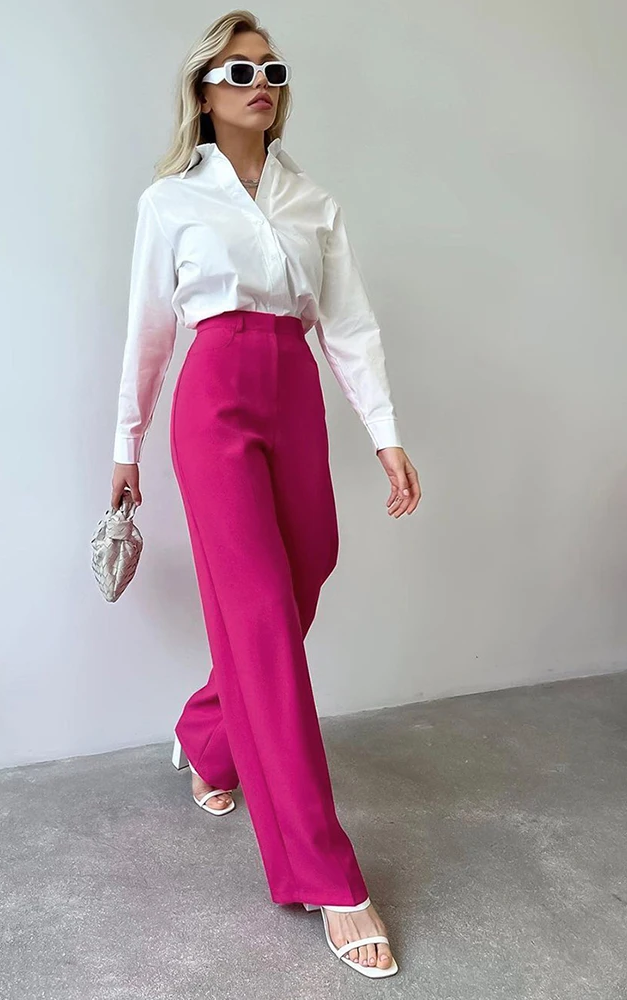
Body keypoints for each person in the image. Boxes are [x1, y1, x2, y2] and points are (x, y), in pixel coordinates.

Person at [110, 10, 421, 978]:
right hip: (214, 398)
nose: (259, 84)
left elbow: (348, 325)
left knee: (307, 569)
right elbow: (149, 330)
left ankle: (208, 732)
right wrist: (125, 444)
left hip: (293, 389)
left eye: (272, 71)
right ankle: (325, 873)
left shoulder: (312, 202)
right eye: (239, 70)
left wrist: (386, 434)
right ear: (205, 91)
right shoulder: (170, 201)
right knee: (259, 619)